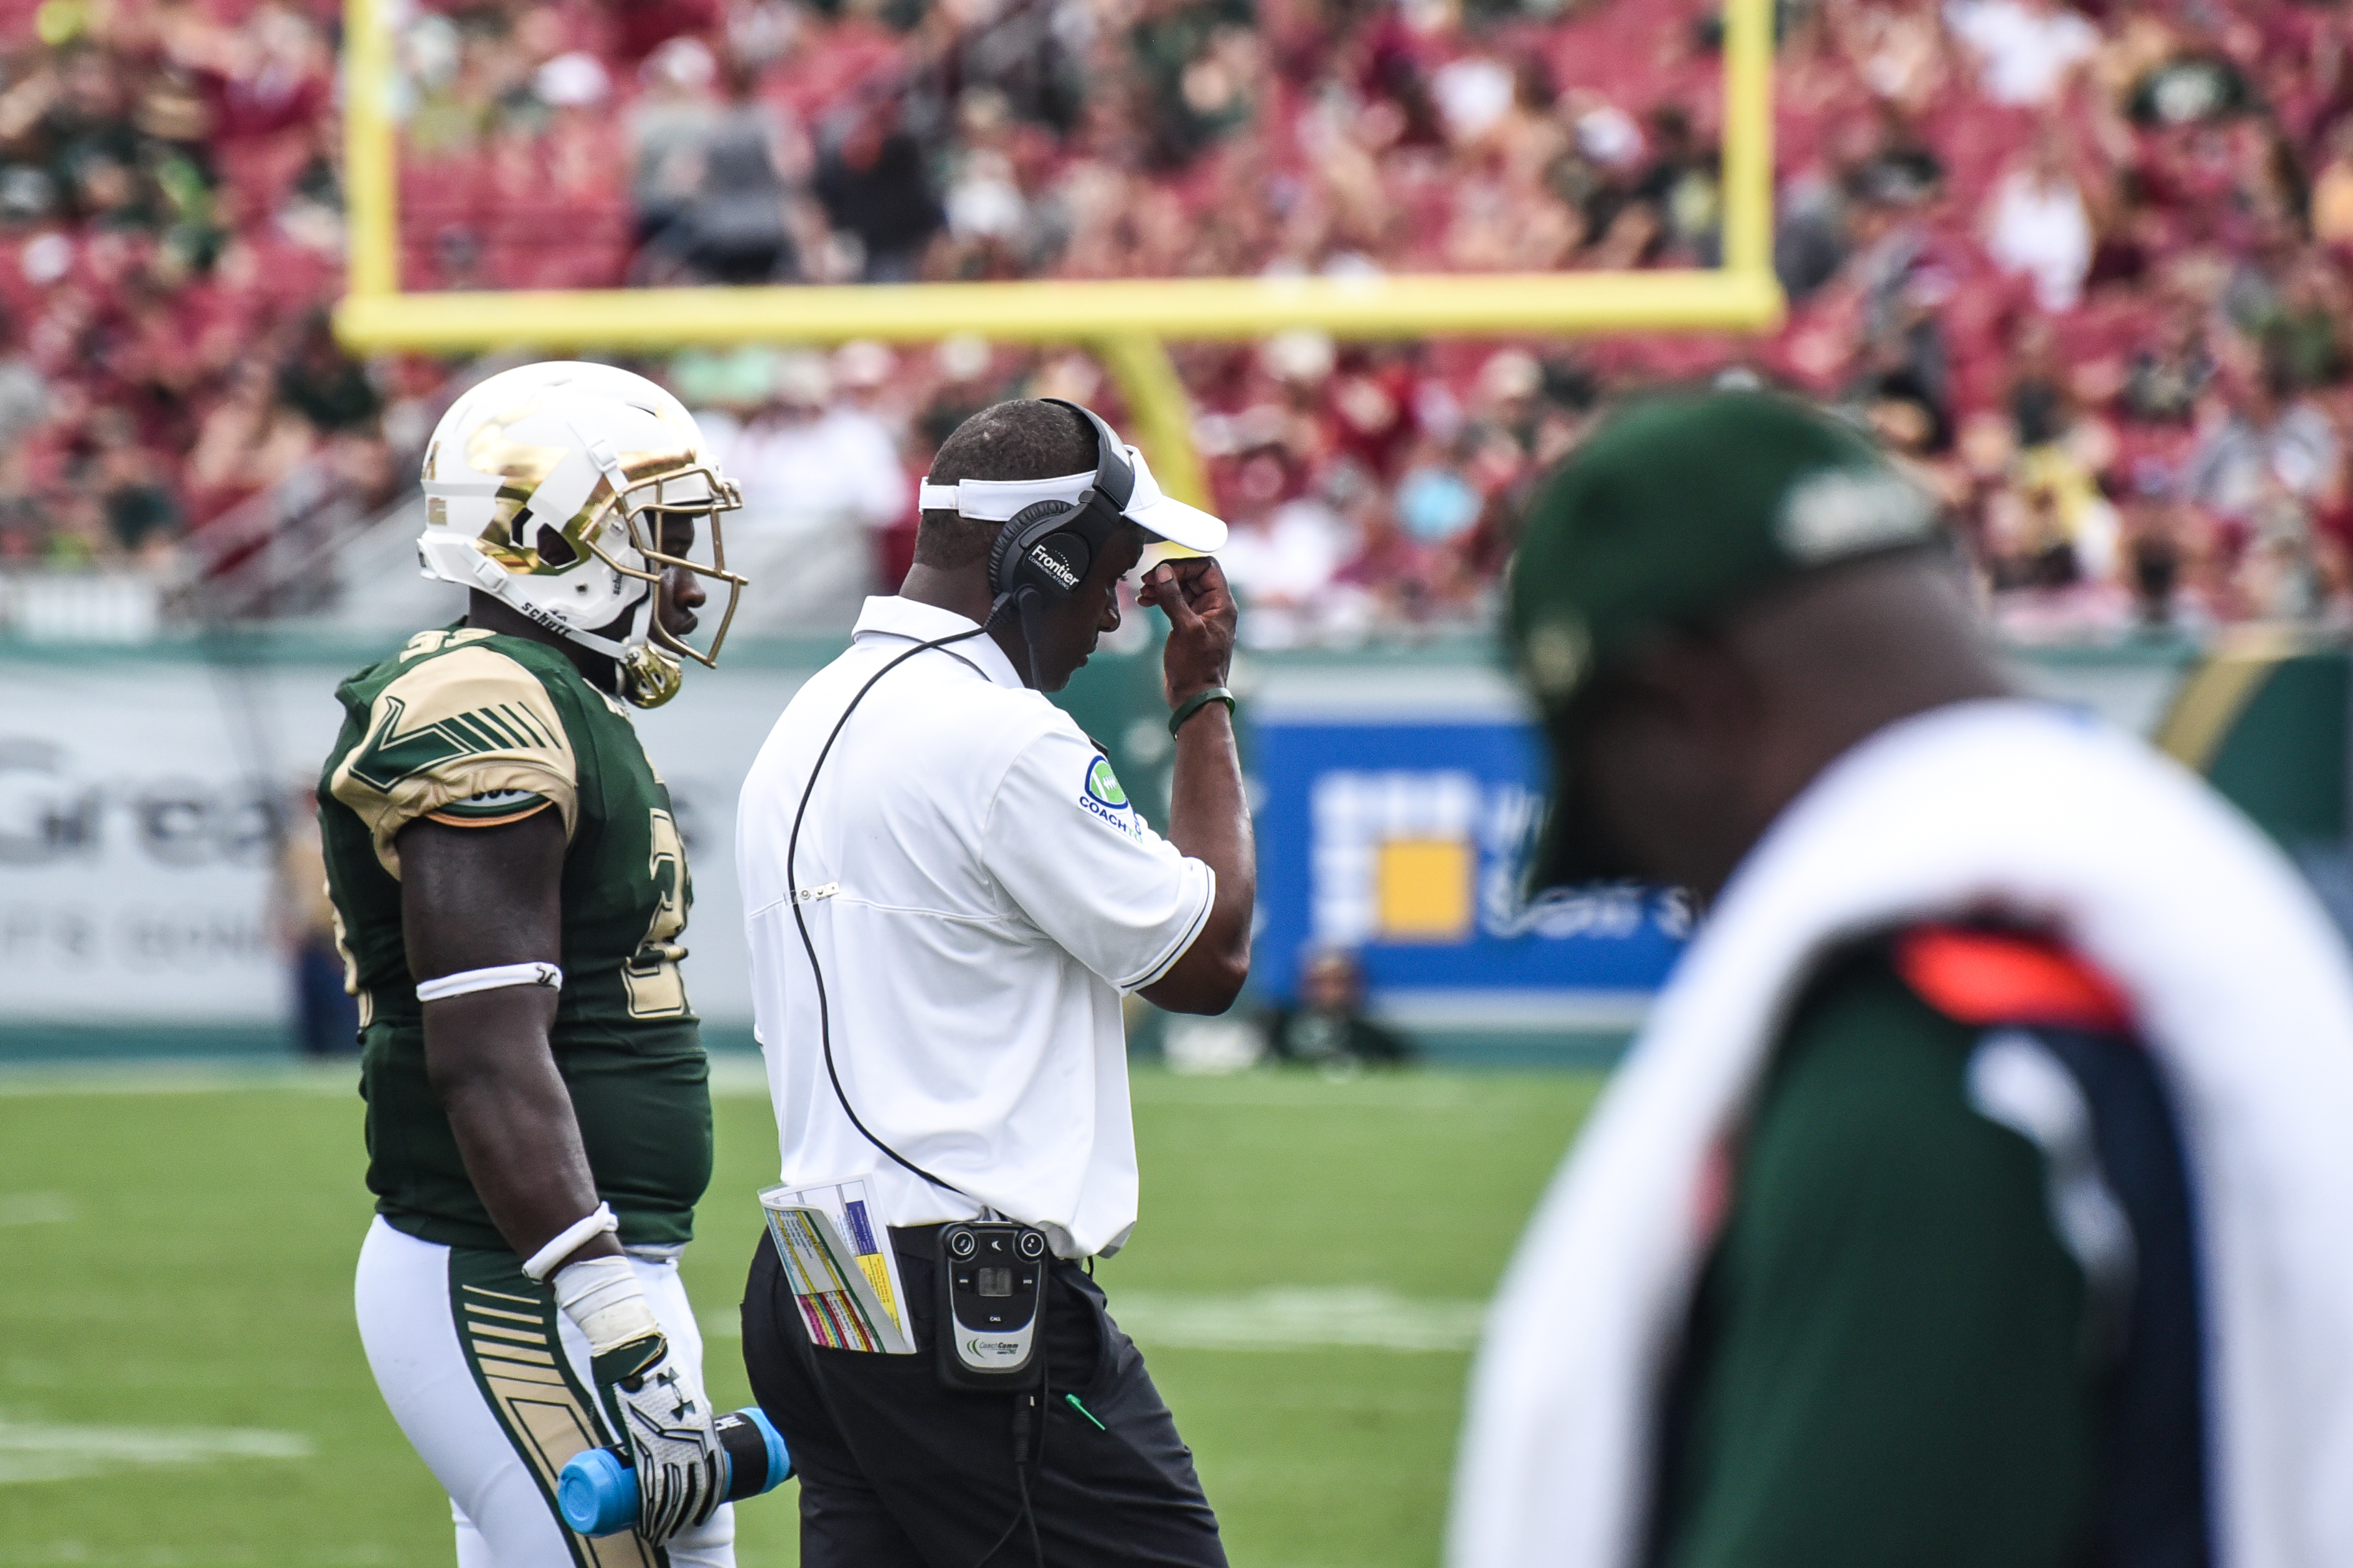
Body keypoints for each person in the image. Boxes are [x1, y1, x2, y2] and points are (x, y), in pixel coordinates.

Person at [1451, 392, 2353, 1568]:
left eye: (1636, 837)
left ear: (1683, 707)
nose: (1679, 900)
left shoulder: (1923, 1049)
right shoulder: (2168, 899)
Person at [733, 397, 1254, 1567]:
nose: (1113, 613)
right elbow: (1207, 956)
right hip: (959, 1291)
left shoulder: (804, 720)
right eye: (1109, 577)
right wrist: (1200, 699)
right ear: (1042, 557)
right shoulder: (1000, 735)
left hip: (818, 1273)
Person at [321, 361, 753, 1567]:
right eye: (659, 535)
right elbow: (486, 1053)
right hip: (517, 1268)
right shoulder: (479, 700)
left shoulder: (563, 698)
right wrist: (603, 1298)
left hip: (580, 1257)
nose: (683, 575)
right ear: (550, 534)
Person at [1263, 946, 1412, 1069]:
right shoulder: (1276, 1026)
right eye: (1320, 982)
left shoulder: (1373, 1037)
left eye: (1339, 982)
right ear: (1304, 985)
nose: (1331, 992)